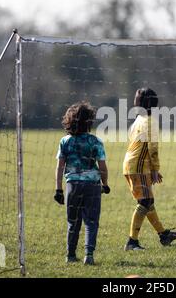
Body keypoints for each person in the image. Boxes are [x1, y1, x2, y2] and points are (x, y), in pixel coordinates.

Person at [123, 87, 176, 251]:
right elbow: (152, 148)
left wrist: (150, 169)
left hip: (133, 164)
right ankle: (132, 242)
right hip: (138, 166)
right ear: (154, 103)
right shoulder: (150, 121)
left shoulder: (137, 120)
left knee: (148, 202)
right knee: (145, 201)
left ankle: (164, 235)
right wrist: (155, 169)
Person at [54, 101, 110, 265]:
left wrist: (58, 189)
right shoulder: (96, 141)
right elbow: (102, 166)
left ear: (69, 121)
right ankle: (89, 255)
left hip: (72, 185)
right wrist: (105, 184)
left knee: (73, 222)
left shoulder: (65, 141)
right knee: (91, 222)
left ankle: (70, 255)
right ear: (89, 122)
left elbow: (59, 166)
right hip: (92, 185)